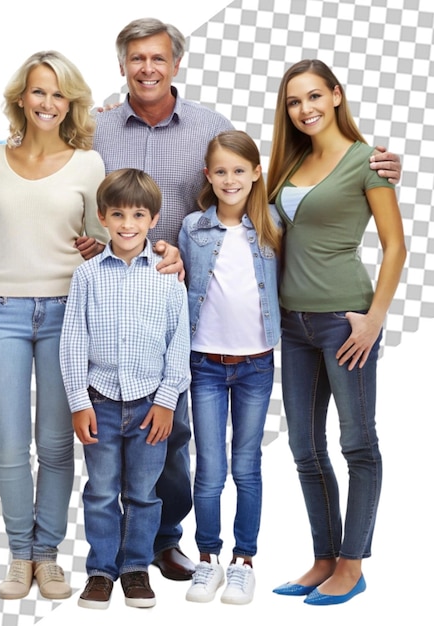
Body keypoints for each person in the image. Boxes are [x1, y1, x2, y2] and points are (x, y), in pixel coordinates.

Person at [92, 17, 402, 581]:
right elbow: (55, 150)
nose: (148, 68)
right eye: (136, 59)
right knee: (279, 449)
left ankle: (334, 563)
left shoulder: (250, 157)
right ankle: (152, 552)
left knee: (339, 444)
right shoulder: (104, 129)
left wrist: (375, 316)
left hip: (320, 328)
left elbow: (385, 240)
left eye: (158, 57)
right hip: (170, 312)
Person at [267, 59, 406, 605]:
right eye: (294, 102)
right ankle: (323, 557)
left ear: (337, 95)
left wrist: (375, 318)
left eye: (314, 97)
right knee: (303, 444)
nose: (305, 109)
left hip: (344, 320)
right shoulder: (290, 162)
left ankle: (353, 562)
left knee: (357, 443)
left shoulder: (367, 162)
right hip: (293, 323)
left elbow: (395, 245)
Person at [0, 51, 109, 601]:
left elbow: (105, 241)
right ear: (20, 99)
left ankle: (48, 556)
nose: (47, 103)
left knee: (55, 444)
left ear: (70, 103)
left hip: (66, 313)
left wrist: (96, 244)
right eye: (37, 92)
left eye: (58, 94)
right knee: (9, 445)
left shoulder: (89, 164)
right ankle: (20, 553)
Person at [60, 168, 191, 609]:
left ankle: (135, 567)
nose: (128, 224)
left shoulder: (168, 276)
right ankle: (100, 570)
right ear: (102, 217)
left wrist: (167, 401)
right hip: (100, 401)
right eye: (118, 214)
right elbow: (73, 340)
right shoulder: (88, 276)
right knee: (100, 490)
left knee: (143, 492)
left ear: (153, 219)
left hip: (150, 405)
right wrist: (79, 402)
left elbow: (180, 343)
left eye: (138, 214)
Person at [179, 130, 281, 605]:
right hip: (206, 365)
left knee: (247, 466)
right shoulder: (194, 228)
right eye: (220, 170)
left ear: (256, 173)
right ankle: (207, 558)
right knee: (211, 468)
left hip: (257, 365)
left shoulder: (273, 227)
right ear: (208, 175)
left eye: (239, 170)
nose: (230, 178)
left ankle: (244, 561)